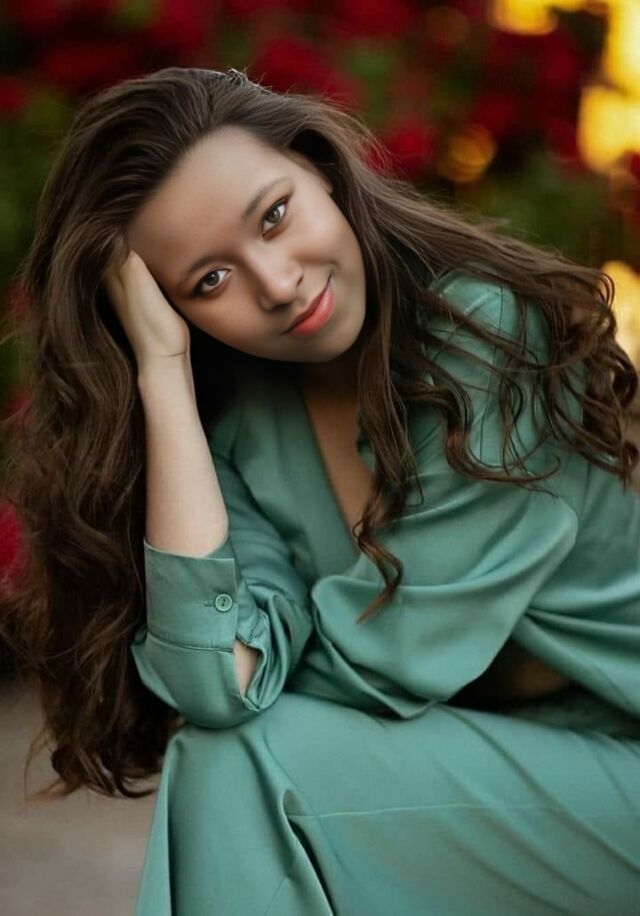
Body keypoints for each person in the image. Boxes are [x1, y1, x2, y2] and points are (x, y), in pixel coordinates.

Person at [2, 65, 640, 915]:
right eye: (209, 281)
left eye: (274, 216)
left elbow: (394, 662)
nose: (276, 283)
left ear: (323, 171)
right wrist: (161, 374)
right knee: (231, 752)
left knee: (249, 759)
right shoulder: (239, 421)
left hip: (617, 765)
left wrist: (261, 662)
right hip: (506, 780)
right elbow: (217, 685)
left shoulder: (482, 336)